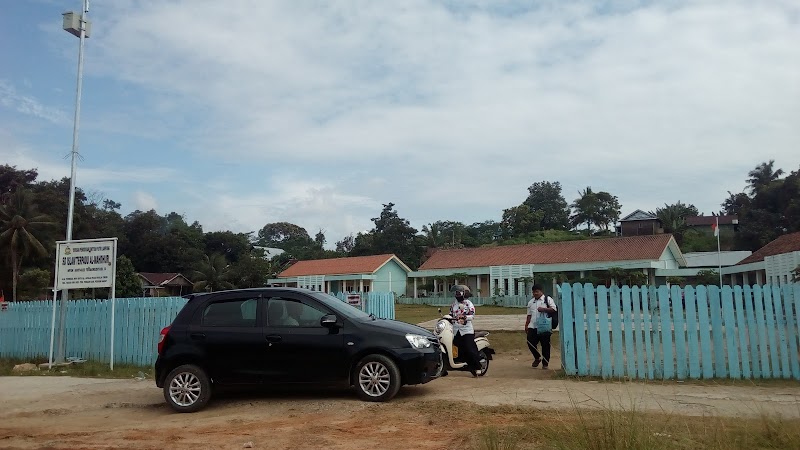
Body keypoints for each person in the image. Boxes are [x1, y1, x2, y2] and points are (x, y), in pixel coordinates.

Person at [450, 286, 481, 377]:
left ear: (463, 293)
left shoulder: (468, 304)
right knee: (457, 349)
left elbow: (472, 315)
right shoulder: (453, 304)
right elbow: (451, 314)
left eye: (459, 293)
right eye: (456, 293)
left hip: (466, 330)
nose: (457, 295)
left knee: (470, 348)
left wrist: (464, 317)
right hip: (456, 330)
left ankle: (477, 366)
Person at [525, 284, 557, 369]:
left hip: (544, 326)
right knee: (530, 342)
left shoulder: (547, 299)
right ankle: (537, 357)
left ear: (541, 291)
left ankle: (545, 363)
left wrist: (544, 309)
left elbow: (554, 309)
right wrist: (526, 325)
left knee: (545, 345)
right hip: (533, 326)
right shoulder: (531, 302)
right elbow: (529, 315)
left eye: (537, 291)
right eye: (533, 292)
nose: (535, 293)